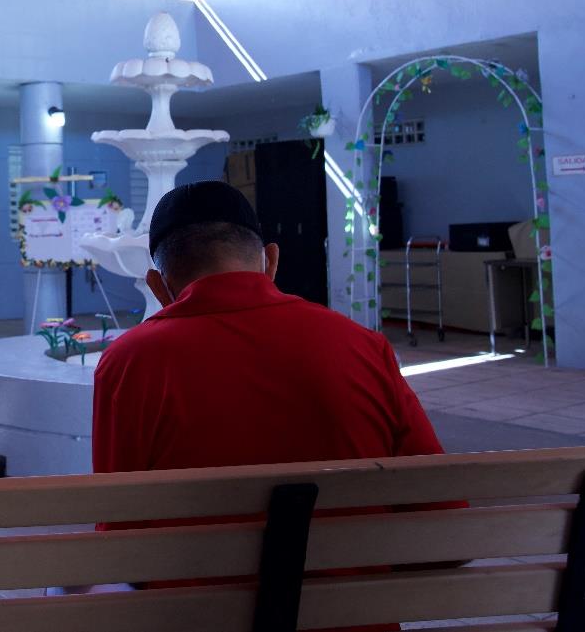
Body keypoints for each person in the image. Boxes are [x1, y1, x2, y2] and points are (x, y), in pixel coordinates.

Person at [94, 179, 445, 479]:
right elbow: (437, 502)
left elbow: (119, 514)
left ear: (158, 287)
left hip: (193, 561)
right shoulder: (364, 346)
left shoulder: (127, 363)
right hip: (349, 558)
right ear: (271, 261)